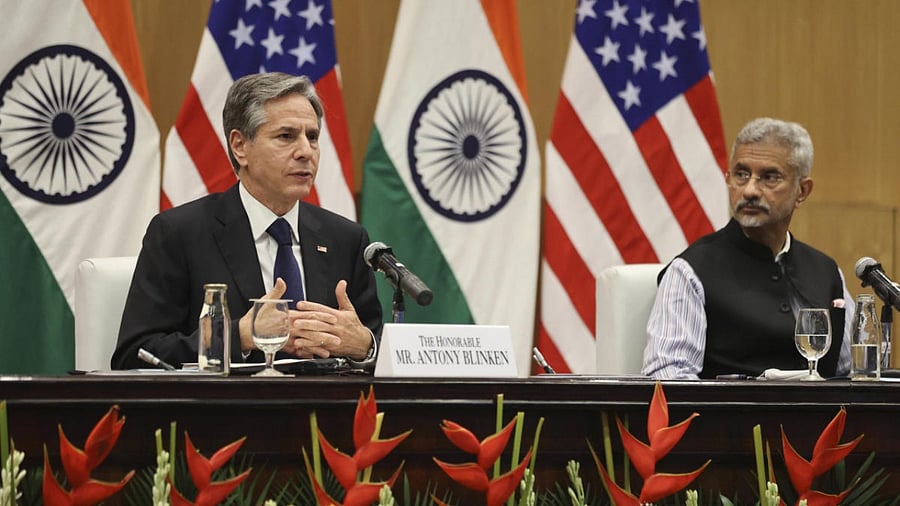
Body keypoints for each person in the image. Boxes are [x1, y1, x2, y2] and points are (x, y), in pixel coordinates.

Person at [111, 72, 382, 370]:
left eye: (313, 137)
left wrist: (364, 346)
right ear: (240, 146)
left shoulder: (345, 239)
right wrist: (239, 336)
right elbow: (134, 355)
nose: (306, 151)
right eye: (286, 136)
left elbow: (380, 349)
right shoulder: (180, 234)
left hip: (328, 401)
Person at [641, 117, 853, 380]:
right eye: (741, 175)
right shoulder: (690, 272)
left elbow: (854, 376)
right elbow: (667, 378)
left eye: (769, 177)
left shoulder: (827, 272)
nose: (750, 190)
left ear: (802, 191)